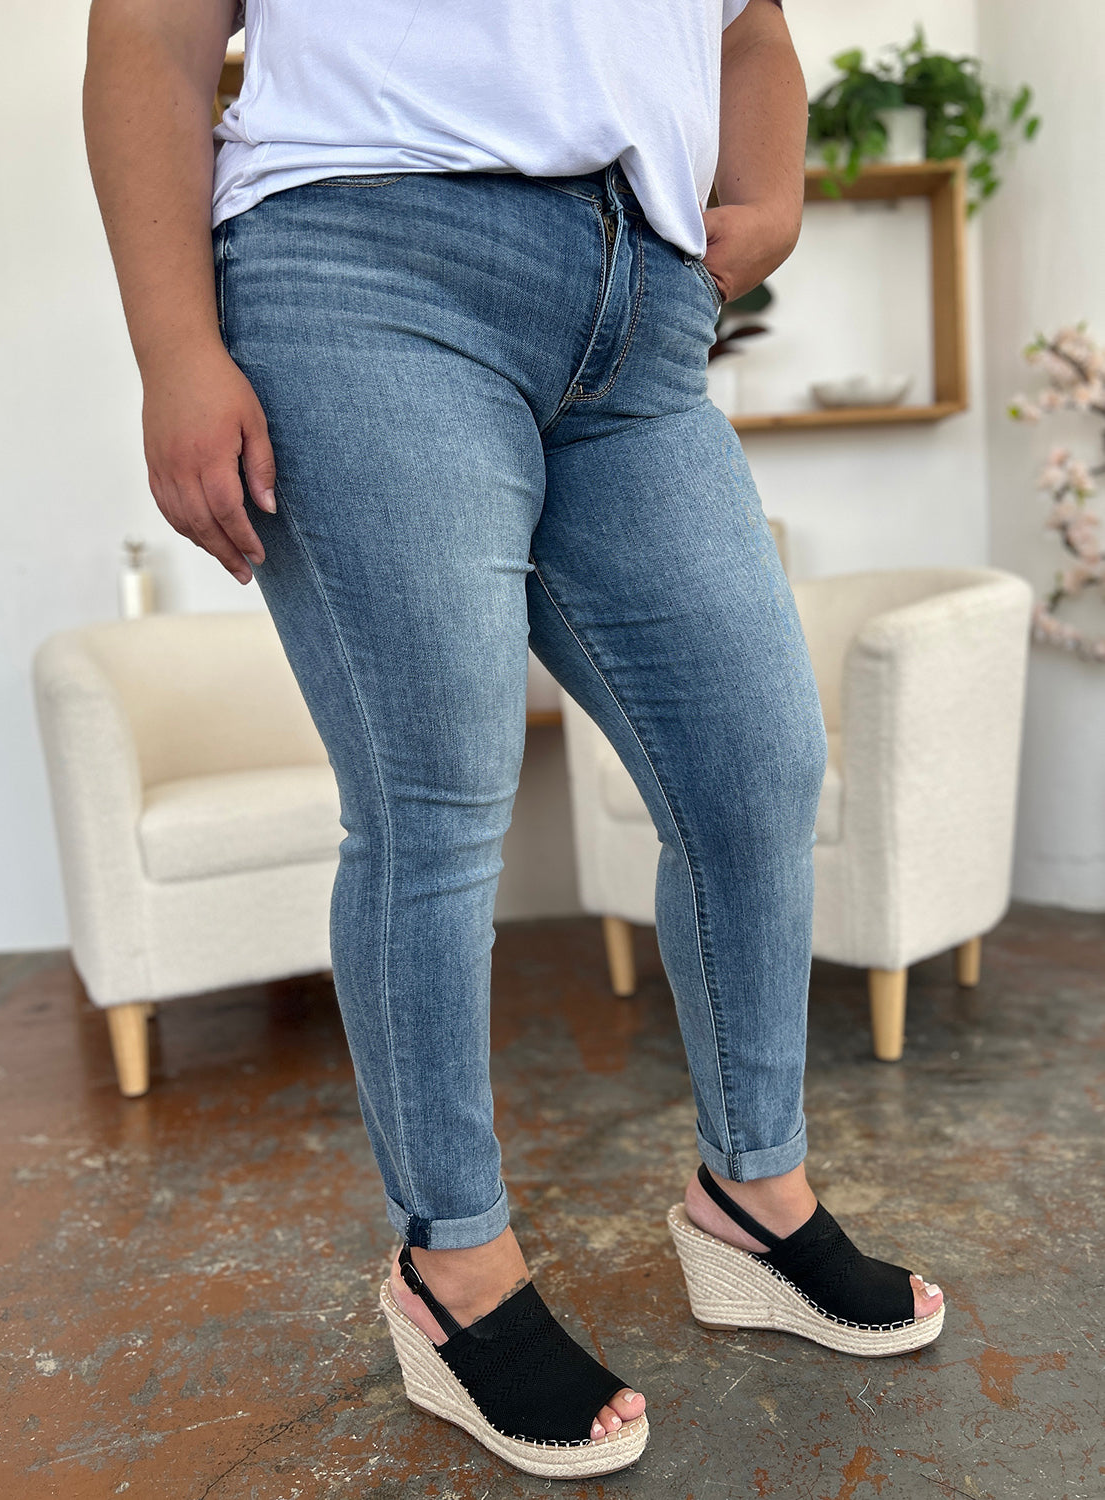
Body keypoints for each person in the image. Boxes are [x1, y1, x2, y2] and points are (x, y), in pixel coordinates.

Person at [83, 0, 945, 1481]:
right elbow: (151, 35)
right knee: (433, 803)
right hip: (363, 264)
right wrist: (174, 346)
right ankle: (453, 1269)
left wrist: (776, 193)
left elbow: (750, 30)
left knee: (753, 772)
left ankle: (755, 1198)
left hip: (645, 309)